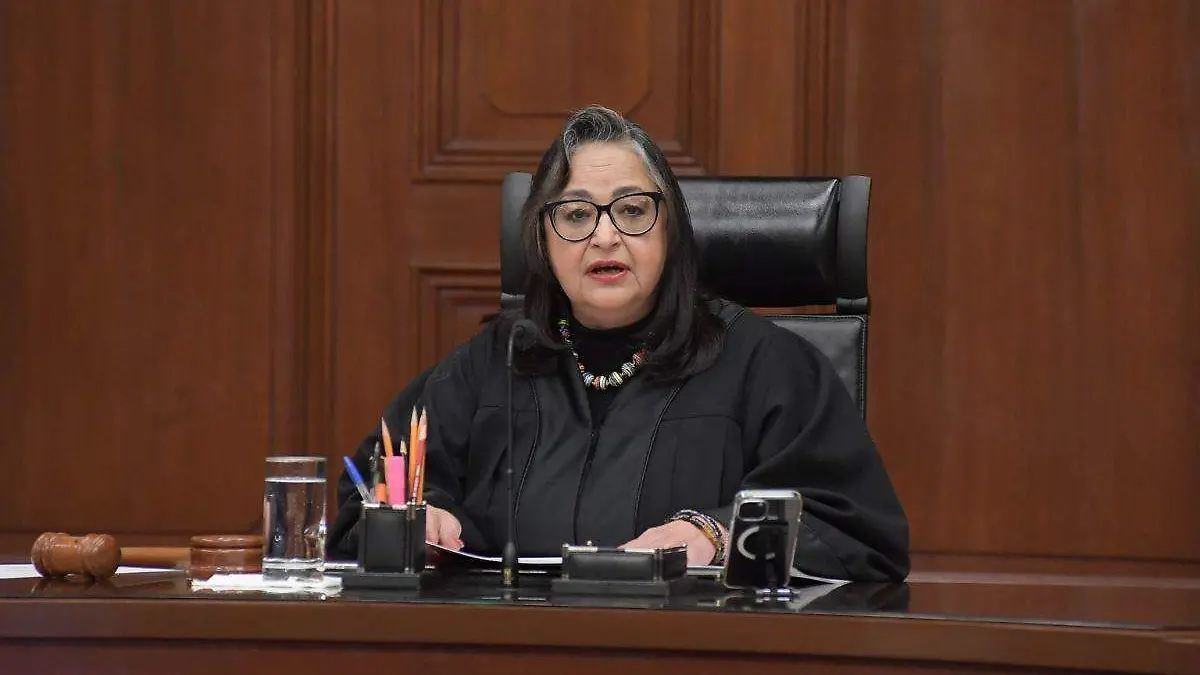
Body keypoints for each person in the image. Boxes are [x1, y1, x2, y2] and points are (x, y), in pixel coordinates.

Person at [330, 105, 909, 581]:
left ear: (670, 228)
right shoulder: (494, 363)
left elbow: (855, 531)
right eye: (576, 214)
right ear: (541, 239)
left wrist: (717, 535)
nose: (605, 236)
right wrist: (419, 518)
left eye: (632, 210)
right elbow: (369, 495)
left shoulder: (766, 366)